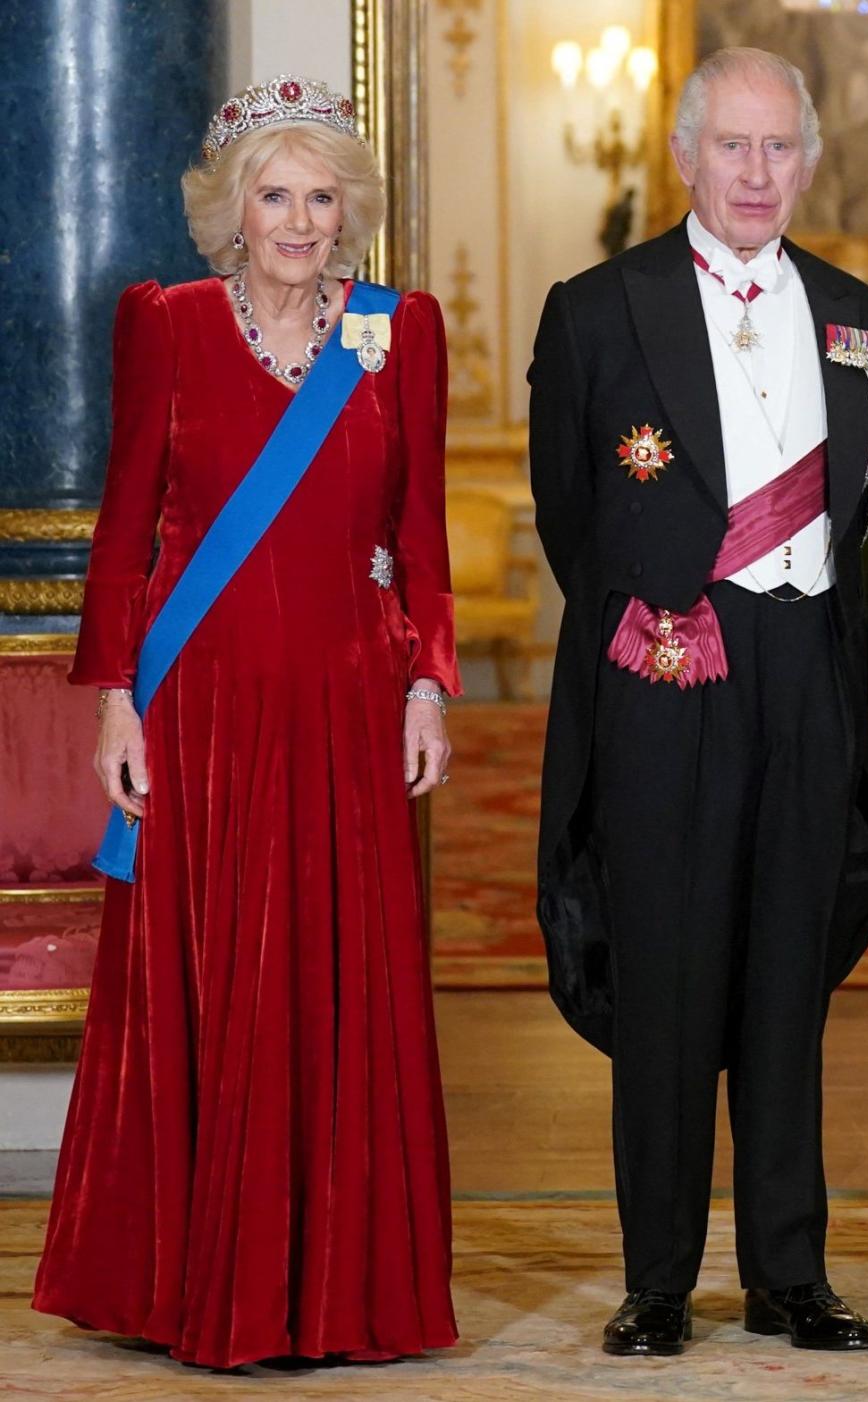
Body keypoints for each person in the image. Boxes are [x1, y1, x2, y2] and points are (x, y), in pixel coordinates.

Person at [32, 76, 461, 1370]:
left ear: (350, 210)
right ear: (231, 209)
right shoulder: (166, 323)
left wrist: (429, 679)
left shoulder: (399, 330)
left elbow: (420, 532)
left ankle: (336, 1288)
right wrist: (113, 696)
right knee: (208, 982)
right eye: (275, 194)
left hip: (345, 707)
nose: (300, 220)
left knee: (341, 984)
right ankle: (194, 1282)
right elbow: (122, 534)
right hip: (200, 714)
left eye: (323, 195)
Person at [528, 48, 868, 1357]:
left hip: (808, 672)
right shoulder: (597, 309)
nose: (756, 174)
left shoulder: (865, 314)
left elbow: (857, 513)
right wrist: (658, 615)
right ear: (684, 156)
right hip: (670, 669)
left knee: (787, 979)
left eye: (779, 149)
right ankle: (661, 1280)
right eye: (732, 147)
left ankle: (790, 1272)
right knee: (672, 971)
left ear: (807, 157)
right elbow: (573, 520)